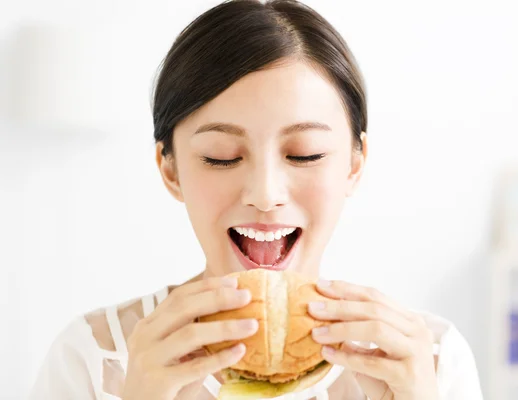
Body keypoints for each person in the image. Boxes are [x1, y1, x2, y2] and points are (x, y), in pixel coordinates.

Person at [29, 1, 484, 399]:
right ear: (170, 170)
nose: (266, 196)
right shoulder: (94, 357)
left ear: (354, 164)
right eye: (221, 157)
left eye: (304, 154)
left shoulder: (433, 360)